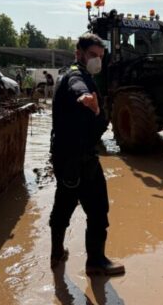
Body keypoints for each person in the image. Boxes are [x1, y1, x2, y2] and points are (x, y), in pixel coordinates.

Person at [49, 34, 125, 276]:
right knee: (97, 209)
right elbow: (76, 86)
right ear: (79, 53)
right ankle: (96, 262)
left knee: (64, 205)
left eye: (101, 57)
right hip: (79, 159)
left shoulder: (70, 73)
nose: (97, 61)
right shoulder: (76, 76)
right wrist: (86, 98)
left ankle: (57, 253)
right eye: (93, 55)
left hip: (68, 157)